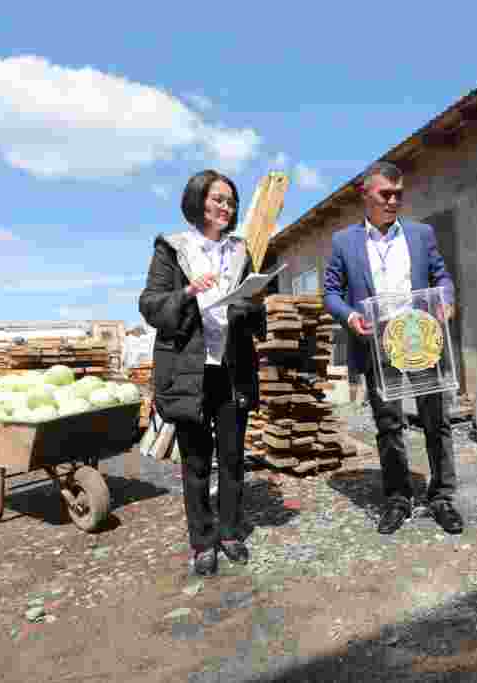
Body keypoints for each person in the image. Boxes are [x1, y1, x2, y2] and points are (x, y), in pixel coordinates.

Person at [323, 161, 463, 536]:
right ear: (365, 194)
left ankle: (442, 497)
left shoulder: (422, 235)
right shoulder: (343, 242)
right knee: (389, 425)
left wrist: (446, 299)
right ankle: (398, 498)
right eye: (385, 194)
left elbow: (441, 277)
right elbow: (331, 294)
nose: (393, 200)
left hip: (420, 339)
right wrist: (351, 317)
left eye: (398, 195)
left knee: (438, 421)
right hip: (377, 346)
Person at [139, 169, 267, 576]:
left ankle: (229, 532)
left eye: (230, 201)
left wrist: (247, 304)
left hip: (231, 369)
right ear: (198, 202)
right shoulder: (172, 249)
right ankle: (202, 541)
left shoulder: (240, 251)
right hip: (191, 370)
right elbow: (150, 304)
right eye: (218, 199)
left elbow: (255, 307)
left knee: (231, 458)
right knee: (196, 462)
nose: (226, 207)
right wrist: (189, 292)